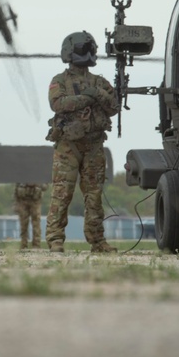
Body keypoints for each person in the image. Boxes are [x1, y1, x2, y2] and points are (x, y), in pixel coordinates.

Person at [44, 31, 121, 253]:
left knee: (94, 195)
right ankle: (55, 239)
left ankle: (97, 241)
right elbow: (58, 104)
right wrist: (87, 98)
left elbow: (113, 106)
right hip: (68, 146)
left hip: (94, 144)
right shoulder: (59, 81)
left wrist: (97, 93)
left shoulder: (99, 82)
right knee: (62, 192)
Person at [14, 183, 46, 250]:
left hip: (35, 199)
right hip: (22, 199)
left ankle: (36, 245)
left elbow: (45, 186)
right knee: (23, 224)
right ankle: (23, 244)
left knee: (36, 223)